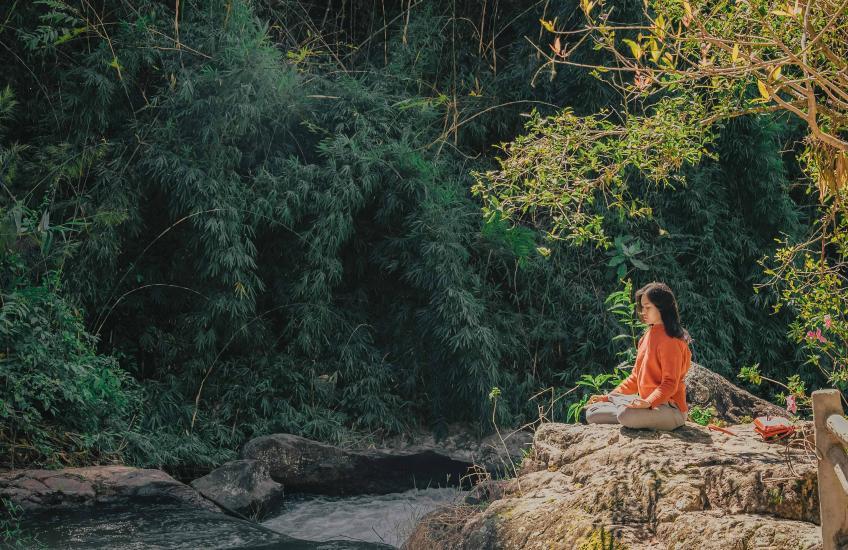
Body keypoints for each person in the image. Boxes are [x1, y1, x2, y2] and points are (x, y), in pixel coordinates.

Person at [584, 281, 692, 431]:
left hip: (671, 410)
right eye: (642, 307)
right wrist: (608, 397)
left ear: (663, 308)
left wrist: (648, 402)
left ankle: (630, 413)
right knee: (593, 412)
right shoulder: (646, 337)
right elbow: (635, 378)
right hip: (645, 405)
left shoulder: (671, 341)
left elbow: (669, 383)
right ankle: (627, 411)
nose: (643, 312)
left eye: (648, 307)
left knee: (625, 414)